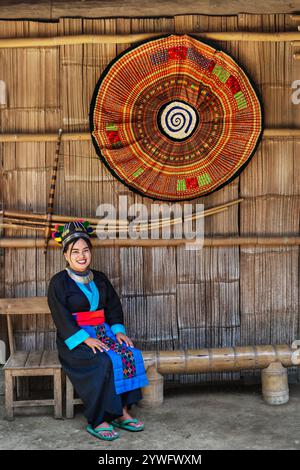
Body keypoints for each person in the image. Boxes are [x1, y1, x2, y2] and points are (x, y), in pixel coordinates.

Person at [47, 220, 148, 441]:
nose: (81, 255)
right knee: (103, 361)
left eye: (85, 250)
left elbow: (113, 307)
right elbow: (61, 318)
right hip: (73, 340)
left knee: (129, 353)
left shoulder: (100, 278)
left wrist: (119, 331)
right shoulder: (58, 283)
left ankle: (122, 412)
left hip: (104, 333)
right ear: (66, 254)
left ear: (90, 252)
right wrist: (84, 339)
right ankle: (99, 419)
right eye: (75, 251)